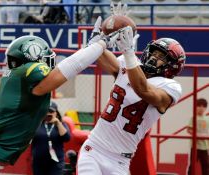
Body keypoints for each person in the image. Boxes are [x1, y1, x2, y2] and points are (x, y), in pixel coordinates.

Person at [0, 24, 120, 174]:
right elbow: (65, 71)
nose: (49, 63)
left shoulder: (19, 78)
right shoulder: (27, 74)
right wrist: (98, 46)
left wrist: (93, 47)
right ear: (33, 57)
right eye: (45, 59)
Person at [77, 17, 186, 175]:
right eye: (154, 52)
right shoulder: (129, 62)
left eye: (162, 57)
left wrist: (128, 53)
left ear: (172, 66)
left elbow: (143, 90)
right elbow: (101, 57)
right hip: (94, 149)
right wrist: (96, 43)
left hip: (120, 160)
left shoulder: (171, 87)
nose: (154, 57)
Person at [32, 101, 71, 175]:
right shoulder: (37, 123)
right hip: (39, 162)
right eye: (46, 111)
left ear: (56, 113)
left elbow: (67, 138)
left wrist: (58, 123)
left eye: (51, 111)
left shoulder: (61, 124)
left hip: (56, 162)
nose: (48, 114)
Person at [187, 98, 209, 175]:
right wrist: (197, 135)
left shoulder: (207, 119)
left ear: (206, 108)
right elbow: (189, 130)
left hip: (205, 146)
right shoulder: (193, 118)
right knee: (192, 164)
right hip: (195, 146)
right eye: (199, 106)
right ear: (195, 107)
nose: (201, 108)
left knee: (206, 164)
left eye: (203, 106)